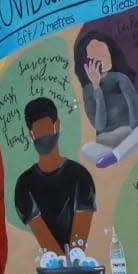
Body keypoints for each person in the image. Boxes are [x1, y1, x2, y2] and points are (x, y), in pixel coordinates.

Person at [13, 97, 97, 256]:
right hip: (53, 266)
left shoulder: (81, 176)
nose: (43, 136)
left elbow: (78, 246)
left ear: (57, 126)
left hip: (75, 266)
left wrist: (72, 266)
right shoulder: (24, 184)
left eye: (45, 129)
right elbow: (45, 241)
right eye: (38, 132)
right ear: (31, 135)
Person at [71, 25, 138, 168]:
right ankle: (120, 153)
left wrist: (130, 134)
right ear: (86, 63)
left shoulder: (121, 79)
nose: (102, 58)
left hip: (130, 136)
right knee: (86, 148)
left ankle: (117, 155)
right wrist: (96, 87)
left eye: (104, 53)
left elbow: (137, 119)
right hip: (105, 144)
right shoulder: (89, 90)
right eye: (96, 57)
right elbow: (99, 125)